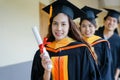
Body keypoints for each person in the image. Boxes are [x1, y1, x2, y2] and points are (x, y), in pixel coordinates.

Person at [31, 0, 101, 80]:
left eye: (63, 24)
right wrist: (47, 71)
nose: (59, 28)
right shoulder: (42, 54)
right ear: (51, 25)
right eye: (55, 23)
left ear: (70, 26)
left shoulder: (82, 51)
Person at [79, 6, 114, 80]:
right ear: (80, 28)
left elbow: (106, 69)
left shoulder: (103, 44)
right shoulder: (77, 44)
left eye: (90, 26)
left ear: (95, 27)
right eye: (83, 26)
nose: (87, 29)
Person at [95, 8, 120, 80]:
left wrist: (115, 76)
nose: (111, 22)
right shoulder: (96, 36)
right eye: (109, 19)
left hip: (110, 75)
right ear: (104, 21)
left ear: (117, 25)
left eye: (114, 21)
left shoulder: (118, 40)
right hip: (95, 73)